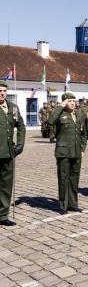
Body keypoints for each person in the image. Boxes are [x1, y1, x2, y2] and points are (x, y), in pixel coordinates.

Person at [48, 92, 87, 215]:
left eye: (74, 101)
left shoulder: (79, 114)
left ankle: (73, 204)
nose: (73, 103)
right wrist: (60, 106)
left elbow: (84, 134)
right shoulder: (60, 114)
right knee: (63, 178)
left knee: (74, 179)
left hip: (76, 151)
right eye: (70, 101)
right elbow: (50, 121)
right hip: (63, 152)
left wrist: (82, 149)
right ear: (64, 102)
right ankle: (63, 205)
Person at [0, 81, 25, 226]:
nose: (2, 93)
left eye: (4, 91)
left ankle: (3, 215)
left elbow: (21, 125)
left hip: (9, 153)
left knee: (6, 185)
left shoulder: (13, 108)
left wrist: (20, 143)